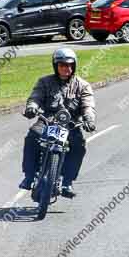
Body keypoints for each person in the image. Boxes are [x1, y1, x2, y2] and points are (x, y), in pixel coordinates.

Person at [19, 47, 96, 198]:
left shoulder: (83, 85)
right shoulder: (44, 82)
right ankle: (28, 176)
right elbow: (35, 97)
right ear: (56, 66)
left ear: (74, 66)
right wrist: (32, 108)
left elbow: (88, 105)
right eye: (62, 65)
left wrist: (89, 119)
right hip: (48, 121)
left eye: (69, 65)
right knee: (32, 137)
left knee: (79, 146)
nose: (66, 68)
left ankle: (67, 182)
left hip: (71, 125)